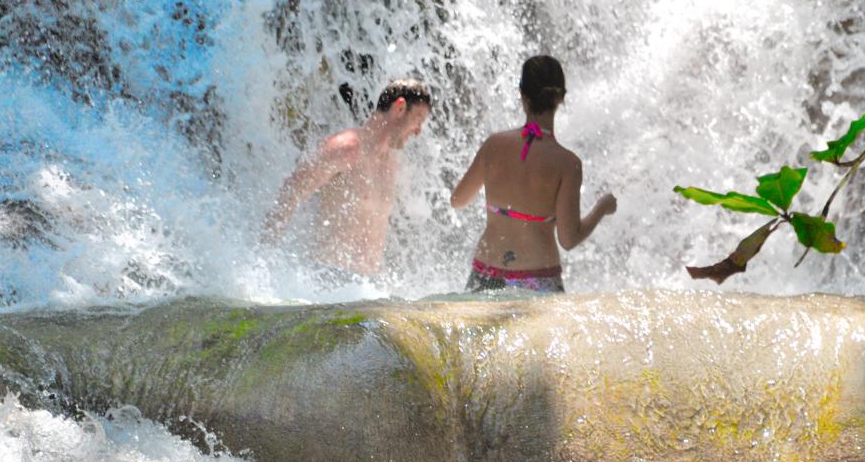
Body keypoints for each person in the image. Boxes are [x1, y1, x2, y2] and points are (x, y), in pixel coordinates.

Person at [450, 55, 616, 293]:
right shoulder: (568, 164)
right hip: (538, 280)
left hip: (486, 273)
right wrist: (602, 207)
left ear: (522, 95)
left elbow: (458, 201)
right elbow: (568, 239)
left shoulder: (493, 145)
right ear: (560, 98)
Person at [263, 79, 432, 277]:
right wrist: (262, 259)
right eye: (418, 119)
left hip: (367, 287)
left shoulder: (391, 164)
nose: (419, 131)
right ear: (400, 107)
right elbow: (290, 193)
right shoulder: (345, 148)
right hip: (328, 280)